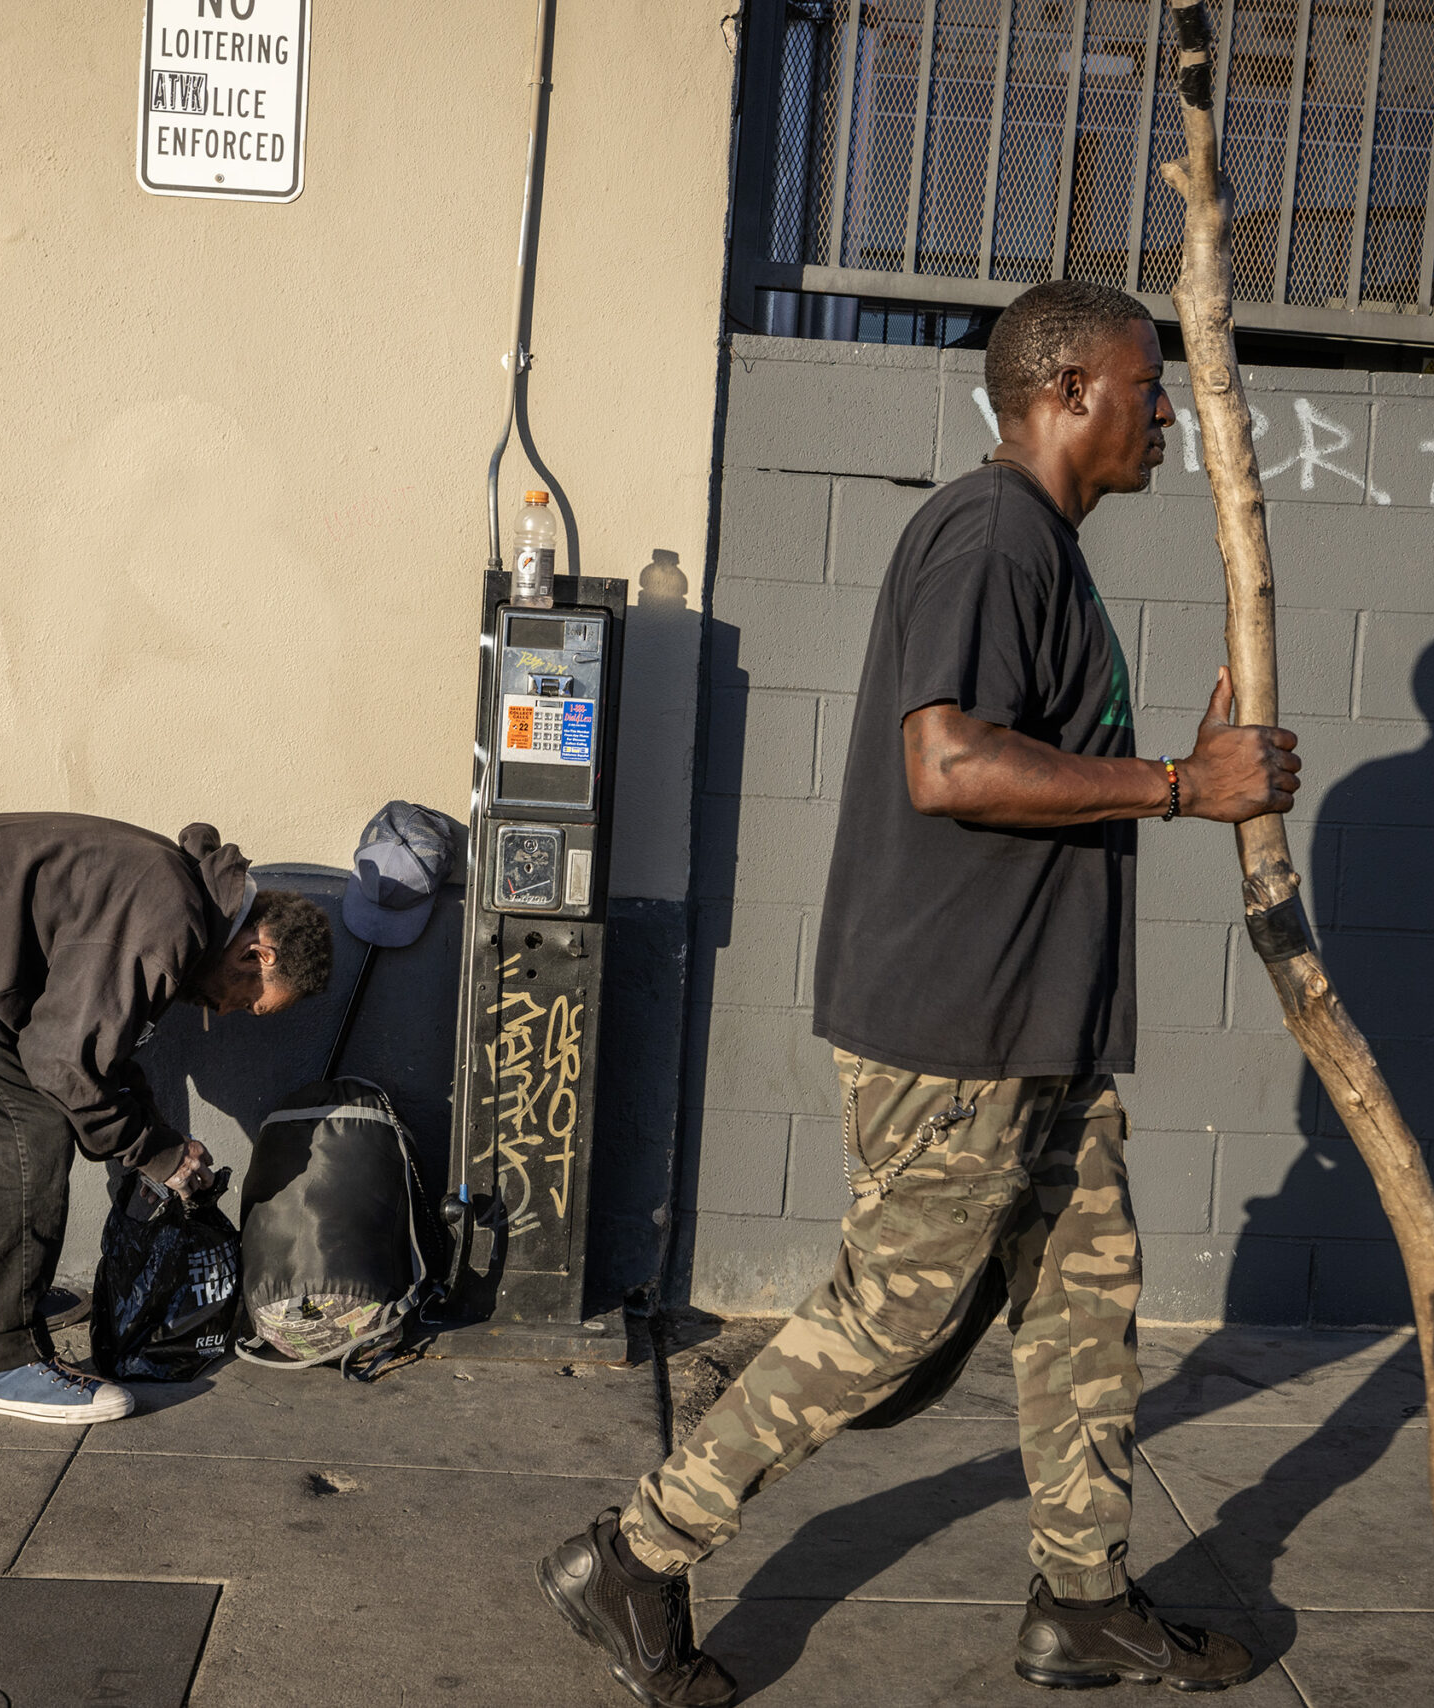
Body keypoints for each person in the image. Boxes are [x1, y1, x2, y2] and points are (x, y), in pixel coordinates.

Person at [536, 279, 1301, 1703]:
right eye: (1146, 387)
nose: (1167, 417)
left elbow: (1037, 769)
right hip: (959, 1033)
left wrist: (1165, 778)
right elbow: (944, 763)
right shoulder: (991, 532)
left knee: (1085, 1307)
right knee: (887, 1319)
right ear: (1068, 387)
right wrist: (1187, 786)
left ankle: (1081, 1600)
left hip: (1042, 1032)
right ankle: (637, 1552)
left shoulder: (1043, 552)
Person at [0, 813, 332, 1423]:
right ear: (256, 952)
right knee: (23, 1133)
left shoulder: (172, 896)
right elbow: (62, 1068)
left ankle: (5, 1294)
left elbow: (88, 1045)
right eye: (249, 1002)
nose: (227, 1011)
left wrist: (159, 1141)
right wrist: (157, 1153)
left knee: (33, 1113)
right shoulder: (165, 923)